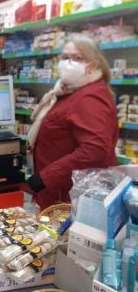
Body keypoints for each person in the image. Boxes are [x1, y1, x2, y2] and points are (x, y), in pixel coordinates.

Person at [26, 33, 118, 210]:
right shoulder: (68, 91)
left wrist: (46, 177)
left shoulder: (89, 97)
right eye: (65, 57)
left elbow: (95, 148)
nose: (68, 63)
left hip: (71, 196)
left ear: (93, 65)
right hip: (57, 192)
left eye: (77, 58)